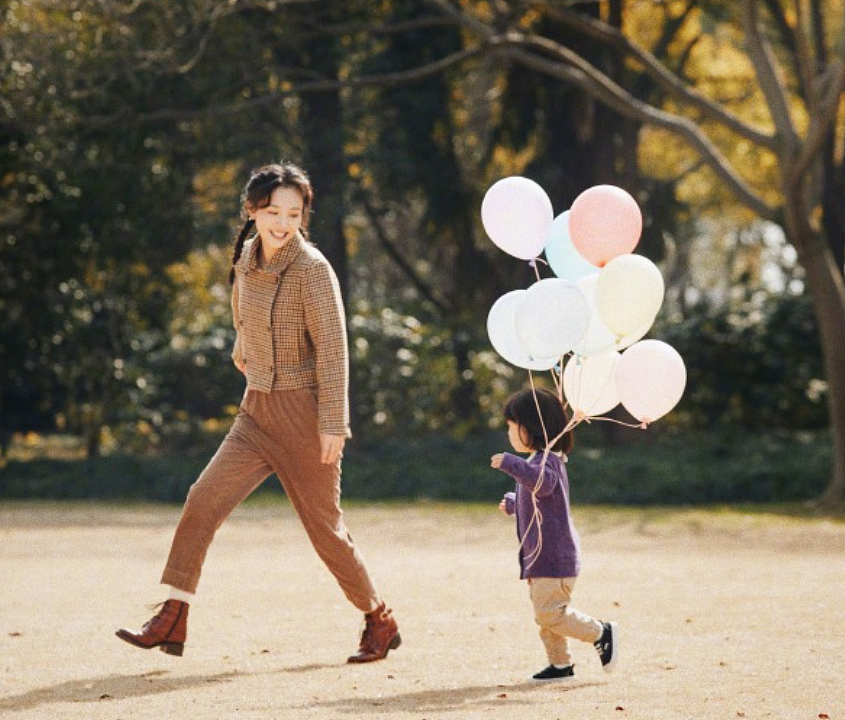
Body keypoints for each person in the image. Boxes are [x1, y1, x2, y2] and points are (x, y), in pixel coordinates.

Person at [117, 162, 400, 663]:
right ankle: (174, 612)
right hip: (255, 412)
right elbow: (241, 303)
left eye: (293, 213)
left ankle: (378, 617)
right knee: (202, 499)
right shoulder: (247, 256)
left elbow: (334, 351)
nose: (282, 222)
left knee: (325, 532)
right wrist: (242, 341)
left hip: (304, 418)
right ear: (252, 210)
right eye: (273, 211)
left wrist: (334, 423)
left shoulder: (313, 271)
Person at [491, 387, 617, 682]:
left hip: (554, 555)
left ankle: (602, 632)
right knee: (547, 614)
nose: (508, 432)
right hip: (541, 555)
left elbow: (543, 485)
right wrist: (513, 503)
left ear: (532, 426)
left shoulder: (548, 461)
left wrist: (511, 463)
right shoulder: (538, 459)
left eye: (512, 425)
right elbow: (537, 500)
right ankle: (560, 665)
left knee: (549, 614)